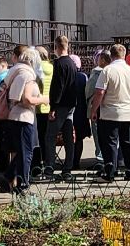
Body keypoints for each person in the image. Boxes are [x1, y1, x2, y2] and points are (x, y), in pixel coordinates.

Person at [89, 43, 130, 182]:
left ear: (111, 55)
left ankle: (110, 172)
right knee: (128, 142)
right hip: (128, 112)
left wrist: (94, 110)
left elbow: (99, 92)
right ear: (124, 55)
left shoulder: (107, 70)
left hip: (110, 112)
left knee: (109, 142)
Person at [4, 46, 43, 193]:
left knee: (21, 151)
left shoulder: (15, 72)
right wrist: (44, 99)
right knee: (27, 153)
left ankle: (9, 175)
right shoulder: (28, 75)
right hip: (24, 117)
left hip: (14, 116)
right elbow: (27, 99)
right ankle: (23, 185)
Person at [44, 35, 80, 177]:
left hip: (60, 105)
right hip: (71, 104)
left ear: (56, 47)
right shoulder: (72, 63)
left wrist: (53, 107)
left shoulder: (59, 63)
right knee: (68, 137)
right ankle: (67, 168)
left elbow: (57, 86)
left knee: (50, 136)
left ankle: (49, 166)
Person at [85, 50, 110, 170]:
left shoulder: (97, 72)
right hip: (111, 108)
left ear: (103, 60)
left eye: (99, 58)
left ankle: (100, 159)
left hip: (97, 107)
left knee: (98, 133)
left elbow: (90, 90)